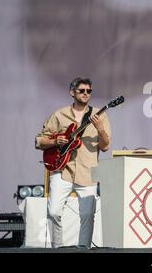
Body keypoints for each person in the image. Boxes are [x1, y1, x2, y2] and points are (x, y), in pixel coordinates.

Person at [35, 77, 111, 248]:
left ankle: (83, 247)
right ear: (72, 92)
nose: (86, 94)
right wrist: (55, 142)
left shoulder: (99, 115)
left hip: (87, 171)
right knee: (53, 211)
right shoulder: (59, 115)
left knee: (87, 214)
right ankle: (58, 248)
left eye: (89, 91)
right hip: (62, 169)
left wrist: (100, 129)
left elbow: (105, 146)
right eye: (82, 91)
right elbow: (39, 140)